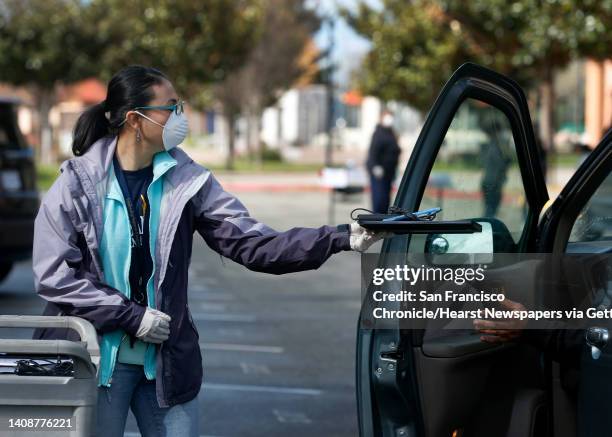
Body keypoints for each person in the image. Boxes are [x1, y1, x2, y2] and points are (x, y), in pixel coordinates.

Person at [30, 65, 389, 437]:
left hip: (167, 364)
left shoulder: (188, 180)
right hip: (97, 362)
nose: (180, 117)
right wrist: (130, 316)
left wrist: (340, 236)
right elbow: (55, 276)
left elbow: (252, 244)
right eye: (171, 107)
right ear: (136, 119)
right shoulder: (76, 184)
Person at [366, 109, 401, 213]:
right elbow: (373, 153)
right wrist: (375, 166)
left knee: (385, 200)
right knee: (379, 200)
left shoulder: (391, 133)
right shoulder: (378, 133)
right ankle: (376, 223)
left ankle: (383, 223)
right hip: (379, 173)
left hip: (389, 172)